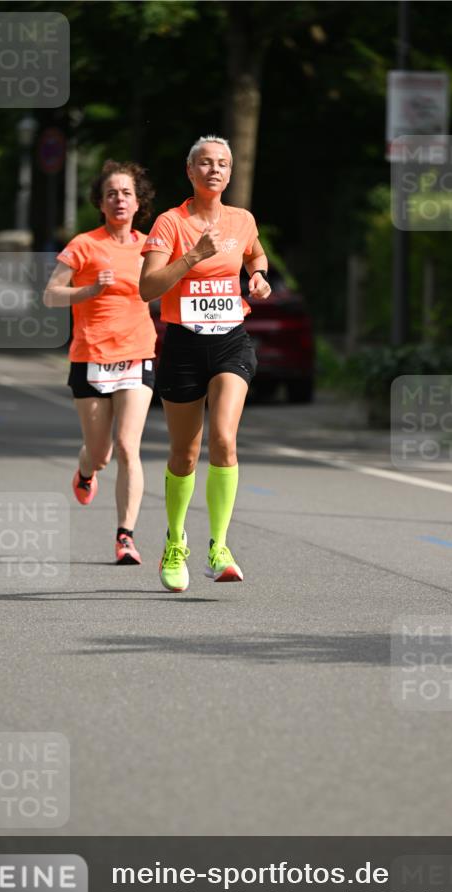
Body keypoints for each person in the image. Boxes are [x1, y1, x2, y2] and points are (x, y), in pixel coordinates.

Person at [140, 135, 271, 592]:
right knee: (185, 454)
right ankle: (176, 541)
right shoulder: (170, 223)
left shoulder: (242, 219)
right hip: (183, 344)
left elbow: (256, 253)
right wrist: (195, 255)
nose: (215, 170)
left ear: (230, 173)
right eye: (206, 163)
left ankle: (220, 545)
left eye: (223, 164)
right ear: (190, 172)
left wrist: (257, 276)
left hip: (232, 341)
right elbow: (147, 288)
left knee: (225, 438)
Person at [44, 160, 157, 565]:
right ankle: (86, 472)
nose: (119, 199)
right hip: (91, 355)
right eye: (111, 193)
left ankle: (125, 535)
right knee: (101, 451)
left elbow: (165, 286)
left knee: (129, 446)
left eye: (126, 192)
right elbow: (51, 295)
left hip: (137, 353)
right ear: (101, 201)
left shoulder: (149, 246)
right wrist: (90, 288)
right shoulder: (84, 244)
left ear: (138, 200)